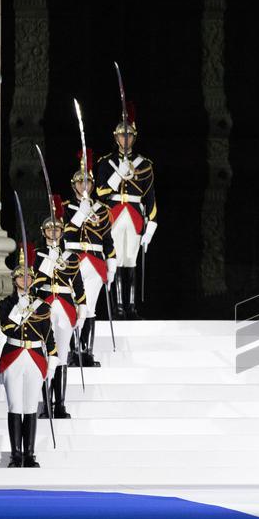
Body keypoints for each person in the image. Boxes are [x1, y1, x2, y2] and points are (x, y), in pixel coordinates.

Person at [95, 111, 157, 320]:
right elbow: (101, 191)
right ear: (116, 138)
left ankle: (131, 306)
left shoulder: (145, 164)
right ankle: (118, 306)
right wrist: (118, 174)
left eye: (129, 135)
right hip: (114, 214)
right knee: (117, 259)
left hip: (134, 215)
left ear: (134, 138)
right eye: (122, 135)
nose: (126, 139)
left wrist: (150, 228)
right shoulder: (106, 162)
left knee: (130, 261)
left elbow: (150, 198)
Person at [0, 262, 58, 468]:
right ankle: (15, 455)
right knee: (15, 405)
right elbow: (7, 328)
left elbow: (49, 336)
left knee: (31, 406)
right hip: (13, 355)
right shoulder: (5, 304)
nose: (25, 280)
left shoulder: (42, 305)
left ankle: (29, 455)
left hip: (35, 356)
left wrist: (53, 359)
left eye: (29, 277)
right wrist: (20, 308)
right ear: (14, 280)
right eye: (21, 277)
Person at [32, 209, 86, 420]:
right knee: (47, 356)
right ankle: (46, 405)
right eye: (49, 229)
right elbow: (35, 282)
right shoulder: (37, 255)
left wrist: (82, 308)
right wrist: (48, 260)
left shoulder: (71, 257)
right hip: (45, 305)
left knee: (61, 357)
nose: (53, 232)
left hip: (64, 307)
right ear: (43, 232)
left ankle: (60, 405)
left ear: (62, 232)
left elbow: (78, 285)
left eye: (57, 229)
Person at [63, 152, 116, 367]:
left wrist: (111, 266)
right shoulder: (66, 208)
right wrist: (80, 213)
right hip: (74, 261)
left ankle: (86, 352)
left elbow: (108, 240)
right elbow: (65, 233)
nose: (84, 186)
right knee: (75, 305)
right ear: (74, 184)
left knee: (90, 307)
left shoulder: (102, 210)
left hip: (94, 263)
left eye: (87, 182)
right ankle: (71, 351)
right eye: (80, 182)